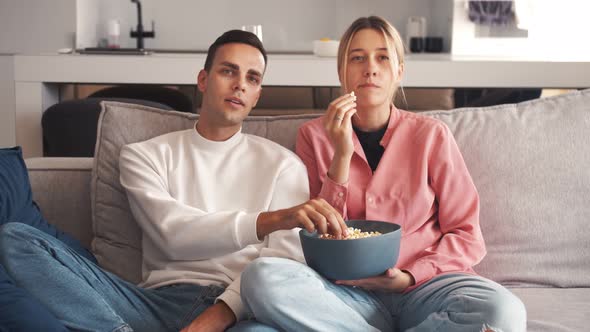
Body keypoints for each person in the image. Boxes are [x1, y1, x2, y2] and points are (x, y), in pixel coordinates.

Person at [0, 30, 346, 332]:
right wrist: (270, 220)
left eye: (253, 78)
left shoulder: (284, 165)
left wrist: (219, 315)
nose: (240, 84)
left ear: (257, 95)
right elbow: (172, 236)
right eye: (228, 71)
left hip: (238, 307)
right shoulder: (143, 154)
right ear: (203, 80)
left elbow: (280, 266)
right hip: (149, 305)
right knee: (15, 238)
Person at [240, 16, 527, 331]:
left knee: (504, 311)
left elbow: (467, 234)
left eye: (382, 57)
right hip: (343, 295)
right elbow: (316, 236)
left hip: (426, 288)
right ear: (341, 72)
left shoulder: (432, 135)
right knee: (260, 278)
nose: (370, 68)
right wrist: (342, 156)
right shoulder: (314, 136)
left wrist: (410, 276)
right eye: (357, 58)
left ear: (399, 71)